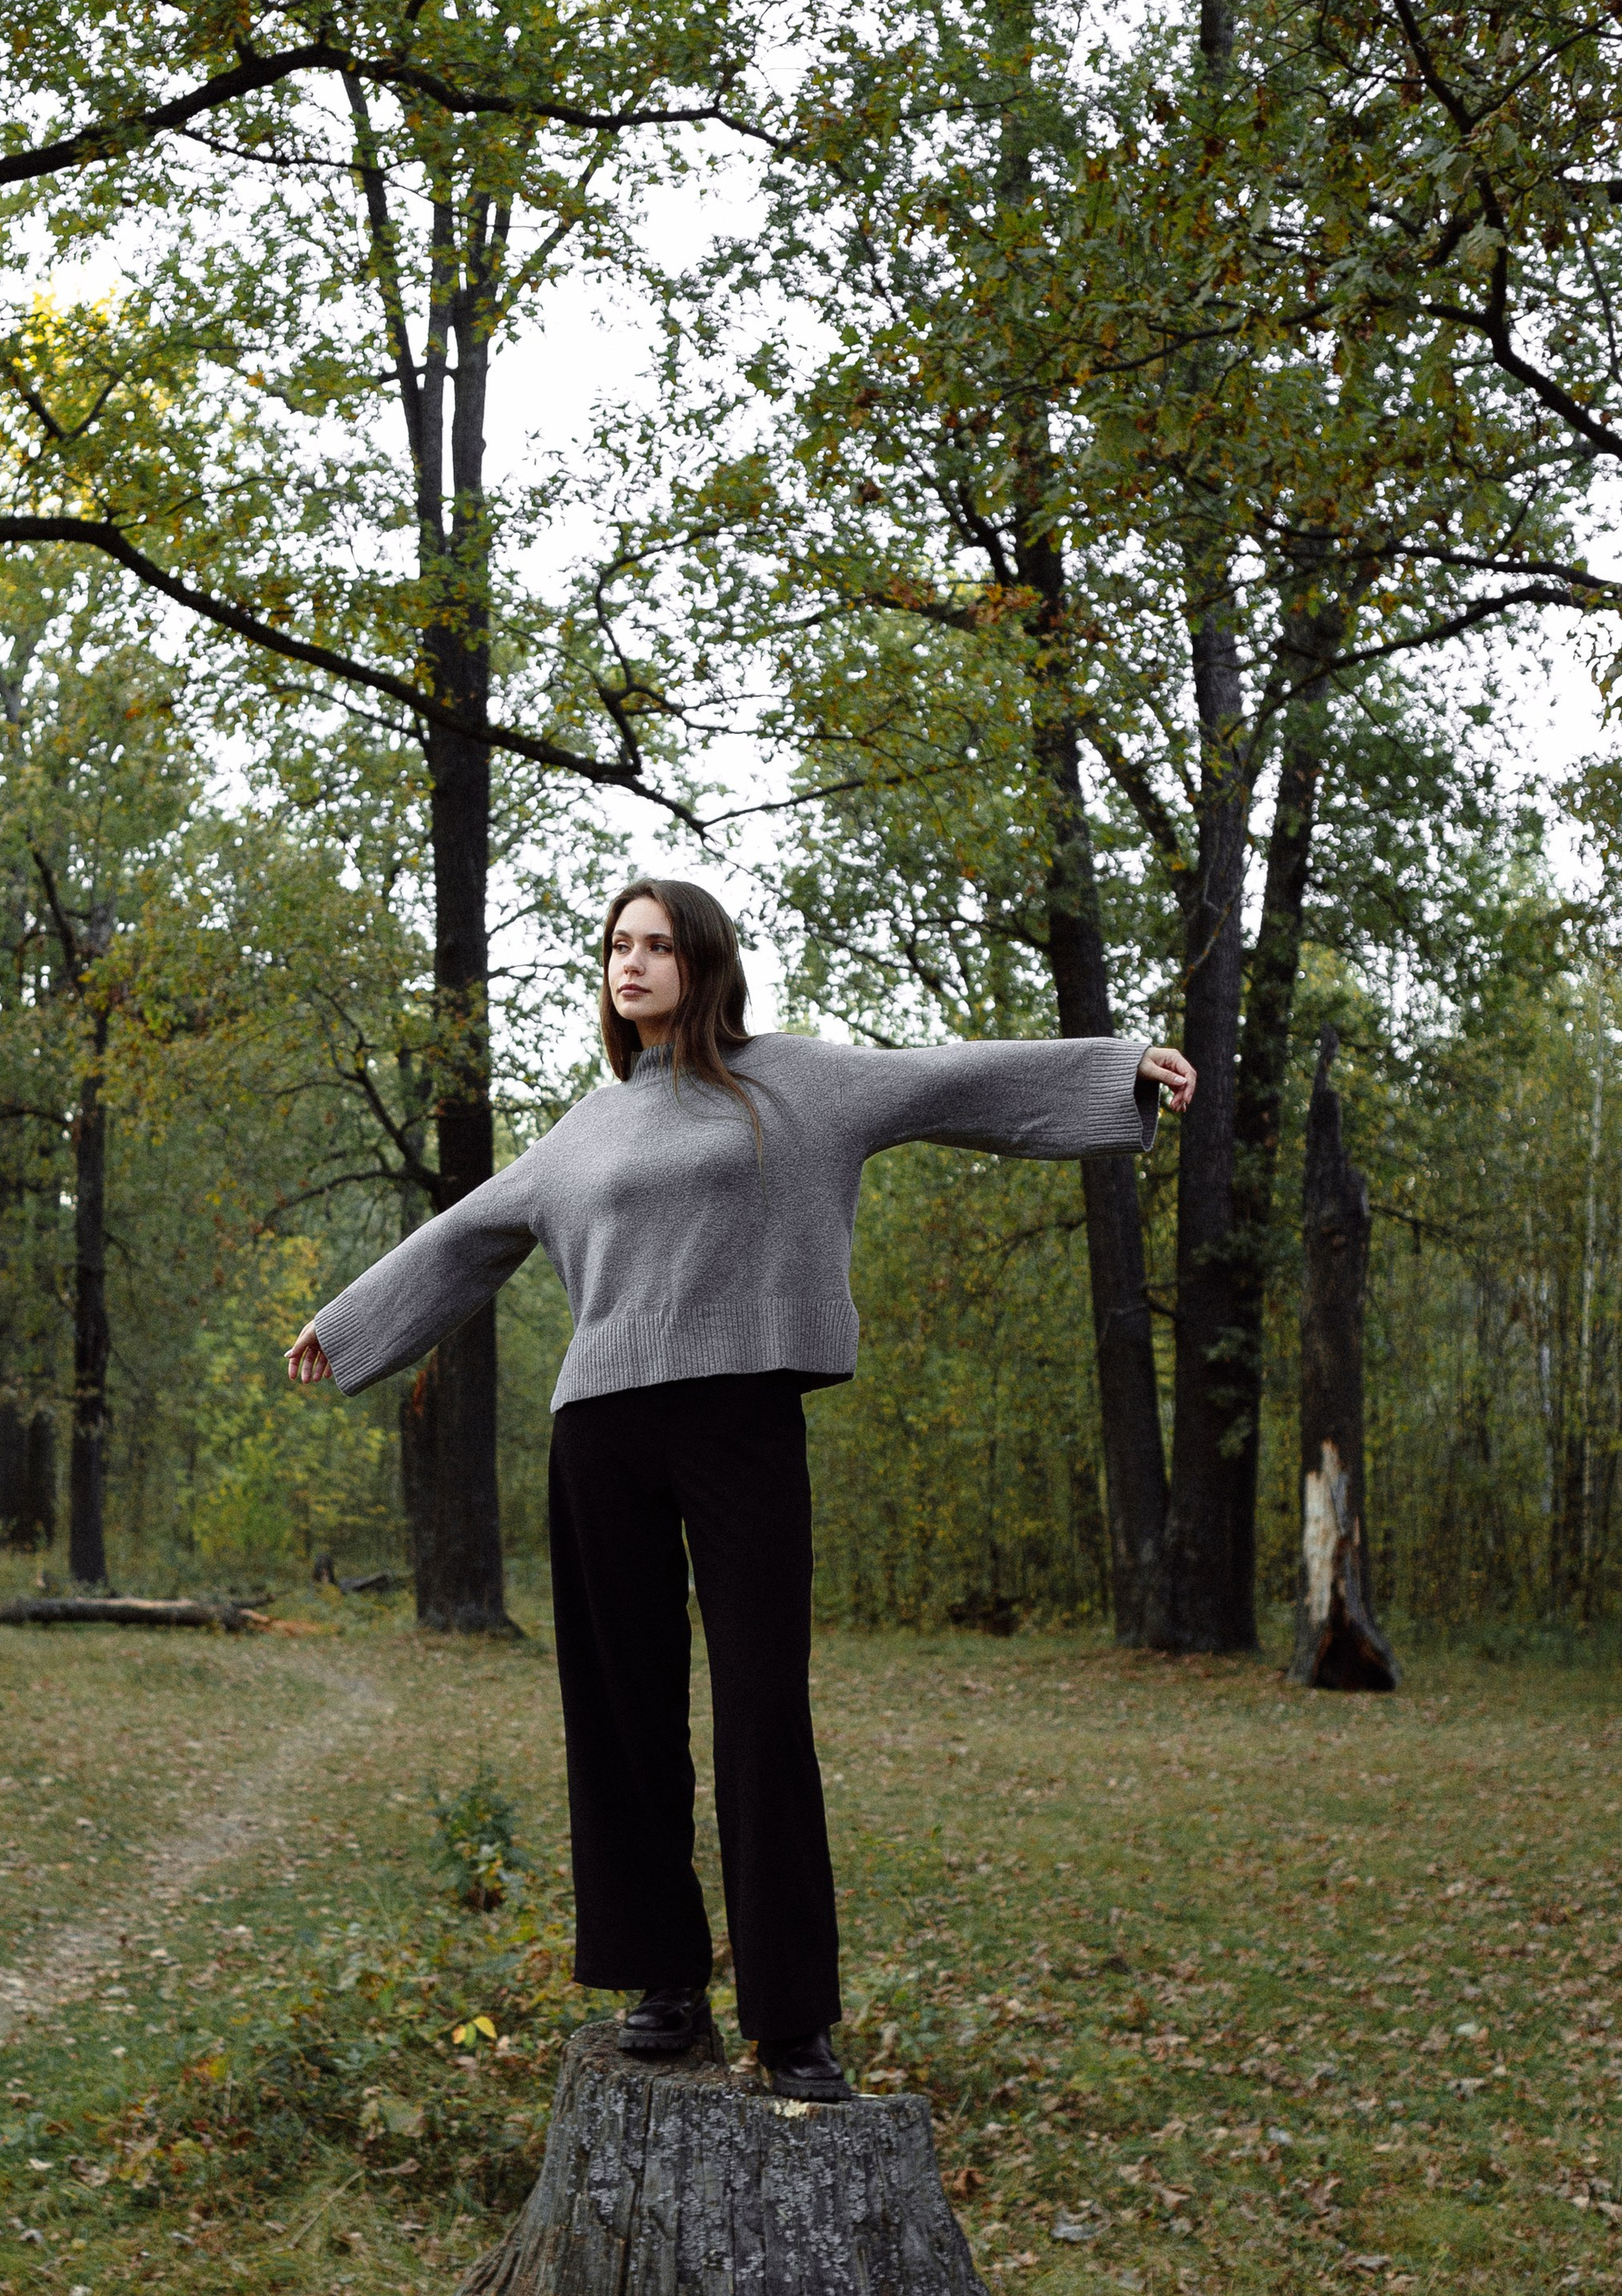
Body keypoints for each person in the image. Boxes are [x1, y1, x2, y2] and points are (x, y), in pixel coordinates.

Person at [286, 879, 1194, 2102]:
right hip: (600, 1428)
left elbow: (953, 1080)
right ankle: (662, 1978)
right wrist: (347, 1331)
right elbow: (466, 1233)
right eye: (618, 945)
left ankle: (793, 2017)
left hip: (742, 1419)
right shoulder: (586, 1130)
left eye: (658, 944)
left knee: (763, 1707)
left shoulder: (799, 1081)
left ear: (705, 963)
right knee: (623, 1713)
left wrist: (1120, 1069)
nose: (632, 962)